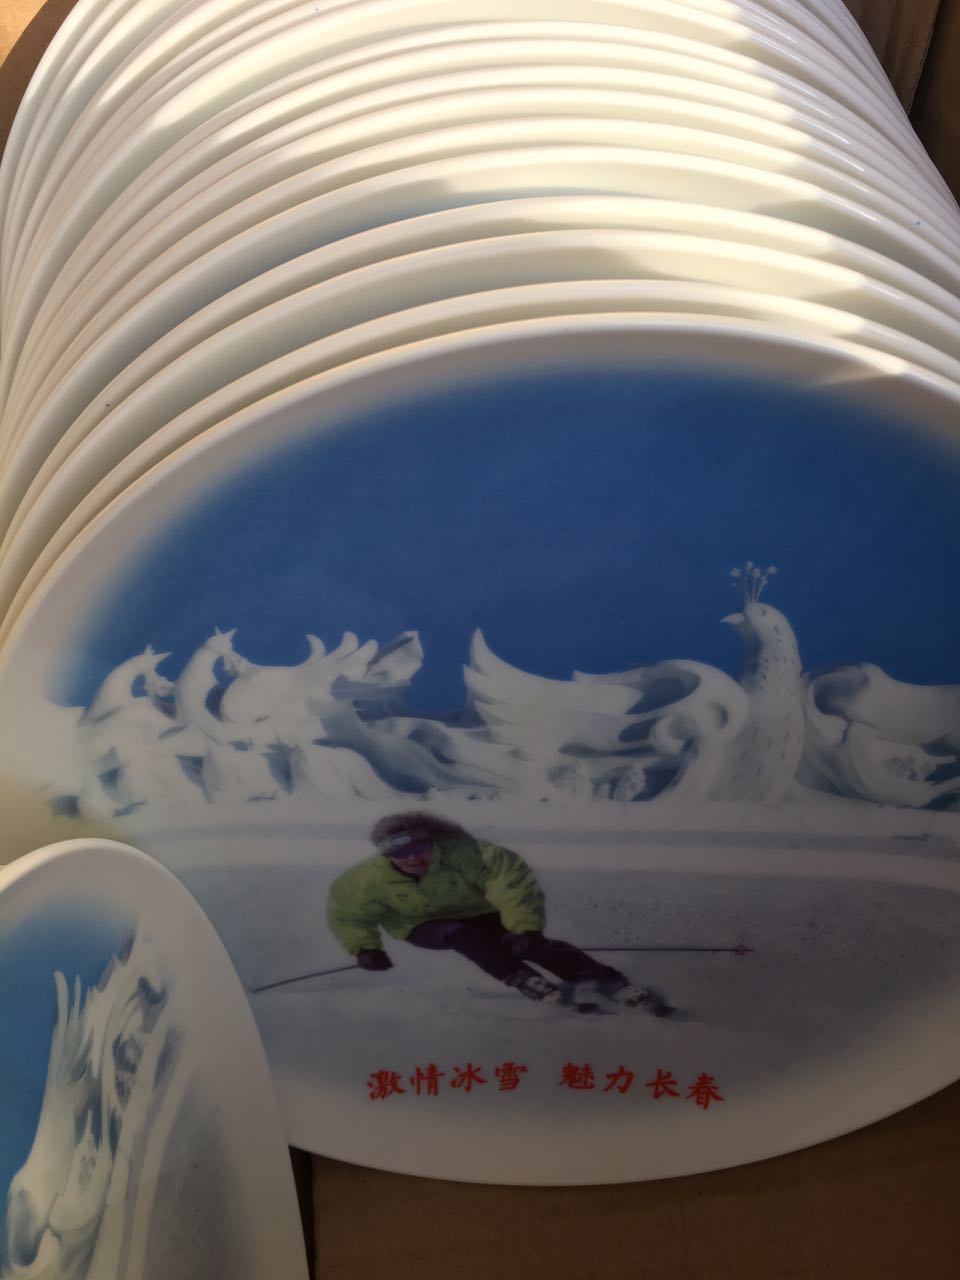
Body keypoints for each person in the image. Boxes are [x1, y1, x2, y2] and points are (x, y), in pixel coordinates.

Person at [326, 811, 673, 1014]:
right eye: (401, 854)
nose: (413, 858)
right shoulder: (364, 880)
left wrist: (526, 929)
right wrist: (365, 948)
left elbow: (511, 883)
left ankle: (607, 982)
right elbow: (349, 913)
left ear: (431, 842)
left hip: (481, 910)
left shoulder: (469, 853)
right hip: (422, 924)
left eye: (420, 848)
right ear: (386, 856)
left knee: (527, 943)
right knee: (461, 935)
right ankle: (525, 980)